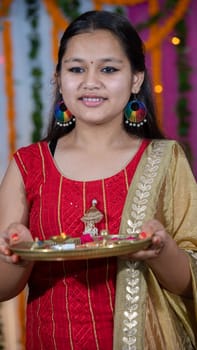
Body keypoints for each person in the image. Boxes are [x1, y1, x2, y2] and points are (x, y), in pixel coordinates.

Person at [0, 10, 197, 350]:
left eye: (108, 69)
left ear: (136, 78)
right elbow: (4, 288)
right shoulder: (29, 164)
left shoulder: (166, 160)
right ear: (59, 78)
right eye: (76, 69)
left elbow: (189, 284)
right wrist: (18, 254)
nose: (91, 81)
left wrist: (162, 250)